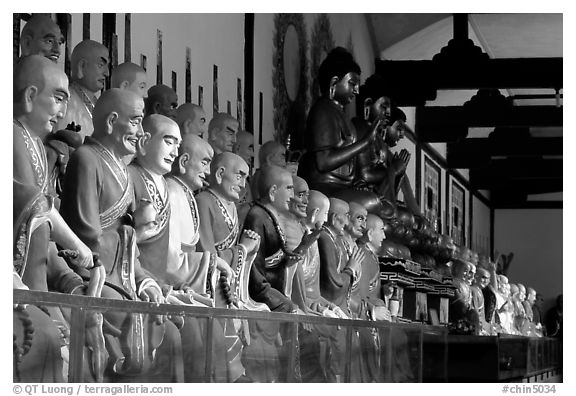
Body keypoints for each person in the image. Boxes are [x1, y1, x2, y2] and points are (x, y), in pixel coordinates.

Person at [59, 88, 183, 381]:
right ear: (113, 120)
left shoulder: (124, 172)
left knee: (169, 322)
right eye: (137, 122)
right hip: (93, 274)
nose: (141, 132)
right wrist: (129, 235)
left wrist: (146, 281)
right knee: (135, 317)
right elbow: (87, 240)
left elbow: (129, 247)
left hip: (123, 277)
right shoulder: (86, 159)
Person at [13, 54, 98, 382]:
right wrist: (76, 243)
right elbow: (35, 205)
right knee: (49, 338)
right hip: (19, 277)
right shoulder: (12, 135)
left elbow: (42, 225)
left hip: (40, 276)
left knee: (82, 327)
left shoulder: (35, 143)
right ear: (31, 95)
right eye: (58, 98)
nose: (63, 112)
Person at [195, 152, 273, 382]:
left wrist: (248, 252)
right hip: (210, 290)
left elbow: (237, 258)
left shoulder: (231, 208)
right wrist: (243, 250)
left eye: (246, 177)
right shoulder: (204, 201)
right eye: (239, 175)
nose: (243, 183)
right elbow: (208, 257)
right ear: (219, 174)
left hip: (230, 289)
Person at [298, 47, 383, 195]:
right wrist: (365, 143)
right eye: (352, 83)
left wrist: (357, 182)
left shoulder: (340, 114)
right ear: (334, 82)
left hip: (342, 186)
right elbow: (324, 162)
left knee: (381, 203)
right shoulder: (323, 110)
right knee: (372, 203)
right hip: (323, 186)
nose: (357, 90)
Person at [317, 198, 364, 381]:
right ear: (335, 217)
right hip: (327, 306)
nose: (348, 220)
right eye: (346, 215)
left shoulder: (335, 240)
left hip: (340, 308)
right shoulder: (325, 239)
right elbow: (333, 283)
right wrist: (350, 269)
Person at [57, 40, 110, 140]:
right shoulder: (66, 103)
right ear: (81, 66)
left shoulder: (99, 104)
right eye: (101, 65)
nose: (106, 73)